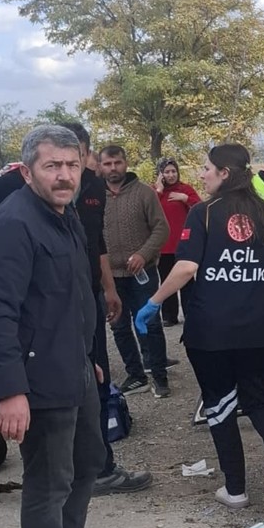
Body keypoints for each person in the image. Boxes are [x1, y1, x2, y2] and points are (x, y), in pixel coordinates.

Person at [0, 124, 115, 528]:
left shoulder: (65, 216)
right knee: (47, 483)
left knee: (88, 462)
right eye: (52, 166)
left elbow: (73, 297)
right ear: (28, 169)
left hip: (73, 364)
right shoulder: (13, 224)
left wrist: (88, 355)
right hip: (36, 379)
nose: (63, 175)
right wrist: (10, 391)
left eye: (72, 165)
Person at [136, 143, 264, 515]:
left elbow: (185, 268)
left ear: (225, 172)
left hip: (212, 331)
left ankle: (236, 488)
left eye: (208, 168)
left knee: (220, 405)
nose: (202, 174)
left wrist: (153, 303)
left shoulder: (203, 213)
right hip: (260, 328)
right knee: (262, 398)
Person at [59, 124, 152, 497]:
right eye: (58, 160)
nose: (69, 168)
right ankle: (64, 468)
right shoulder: (25, 194)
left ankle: (101, 468)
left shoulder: (95, 188)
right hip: (52, 306)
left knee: (97, 378)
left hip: (90, 296)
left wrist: (109, 289)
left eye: (76, 156)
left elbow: (95, 242)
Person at [100, 145, 170, 397]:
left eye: (117, 162)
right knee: (118, 327)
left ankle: (159, 375)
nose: (112, 168)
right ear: (100, 166)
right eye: (107, 164)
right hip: (110, 276)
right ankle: (136, 374)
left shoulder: (144, 194)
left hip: (143, 272)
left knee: (149, 323)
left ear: (126, 163)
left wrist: (144, 253)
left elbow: (162, 229)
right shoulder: (94, 197)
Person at [154, 158, 201, 327]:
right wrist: (159, 190)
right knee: (167, 280)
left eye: (173, 171)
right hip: (163, 246)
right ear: (160, 174)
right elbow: (147, 209)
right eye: (167, 172)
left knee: (187, 281)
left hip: (183, 245)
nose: (171, 175)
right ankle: (169, 315)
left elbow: (201, 208)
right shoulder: (154, 191)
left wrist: (185, 198)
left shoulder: (185, 189)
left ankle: (191, 313)